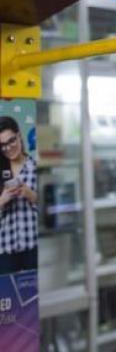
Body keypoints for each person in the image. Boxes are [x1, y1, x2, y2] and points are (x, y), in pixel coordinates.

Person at [0, 116, 38, 274]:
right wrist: (1, 201)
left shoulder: (35, 167)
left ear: (19, 135)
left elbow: (52, 211)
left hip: (33, 247)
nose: (8, 148)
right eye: (2, 145)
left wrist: (31, 195)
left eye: (11, 140)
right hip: (5, 250)